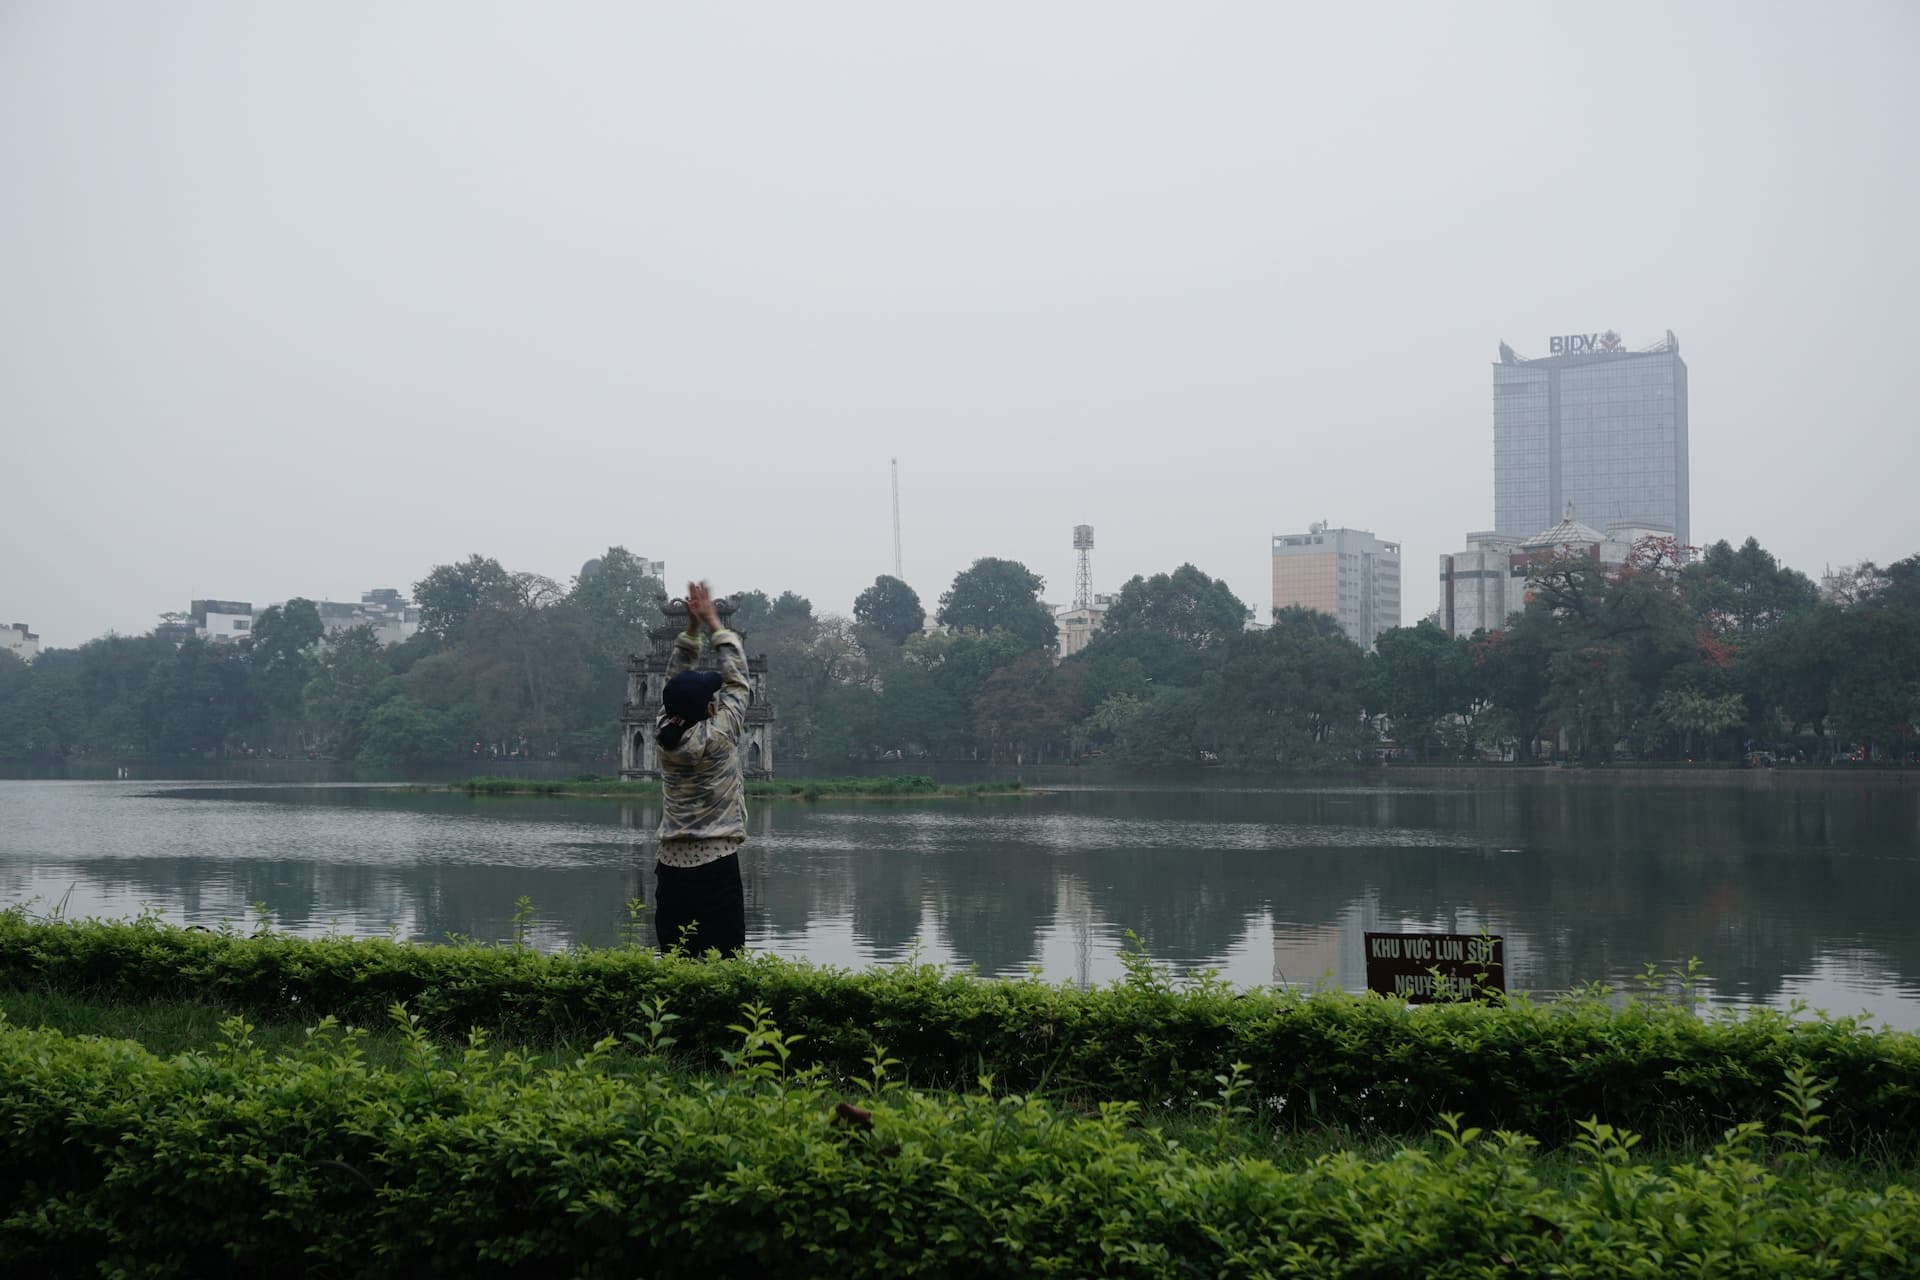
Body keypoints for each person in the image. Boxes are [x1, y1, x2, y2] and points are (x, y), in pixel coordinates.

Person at [653, 580, 752, 957]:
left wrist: (690, 629)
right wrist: (712, 621)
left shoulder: (665, 735)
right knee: (724, 963)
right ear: (708, 709)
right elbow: (738, 680)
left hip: (671, 866)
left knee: (676, 958)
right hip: (716, 863)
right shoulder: (720, 736)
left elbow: (673, 681)